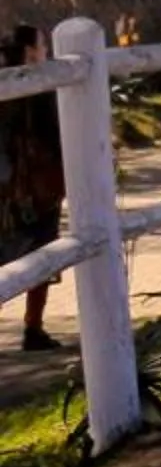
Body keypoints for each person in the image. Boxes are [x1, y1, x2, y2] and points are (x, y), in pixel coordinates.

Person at [2, 23, 67, 351]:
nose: (46, 53)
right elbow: (54, 138)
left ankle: (34, 328)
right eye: (42, 47)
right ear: (30, 52)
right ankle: (33, 327)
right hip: (34, 188)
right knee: (41, 252)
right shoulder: (40, 88)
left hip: (7, 187)